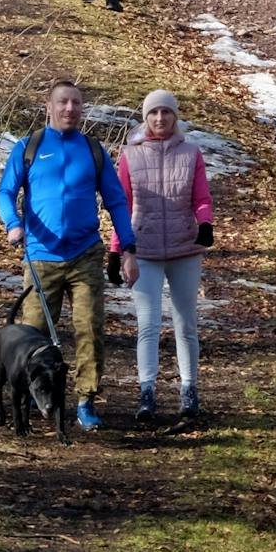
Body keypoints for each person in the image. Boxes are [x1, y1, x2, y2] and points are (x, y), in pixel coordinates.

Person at [0, 78, 135, 434]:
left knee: (89, 327)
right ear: (49, 106)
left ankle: (86, 399)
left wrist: (128, 247)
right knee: (33, 333)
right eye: (62, 102)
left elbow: (116, 201)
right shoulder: (29, 147)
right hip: (41, 256)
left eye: (76, 102)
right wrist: (13, 224)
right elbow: (5, 192)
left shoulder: (92, 150)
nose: (70, 109)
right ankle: (34, 393)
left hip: (85, 254)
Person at [113, 89, 214, 426]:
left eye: (166, 112)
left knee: (186, 323)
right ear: (145, 117)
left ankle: (189, 389)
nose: (160, 118)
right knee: (149, 324)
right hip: (144, 249)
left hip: (185, 248)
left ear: (175, 116)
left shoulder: (191, 153)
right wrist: (117, 250)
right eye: (154, 113)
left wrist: (205, 224)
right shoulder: (130, 155)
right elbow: (121, 206)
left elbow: (201, 198)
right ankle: (147, 392)